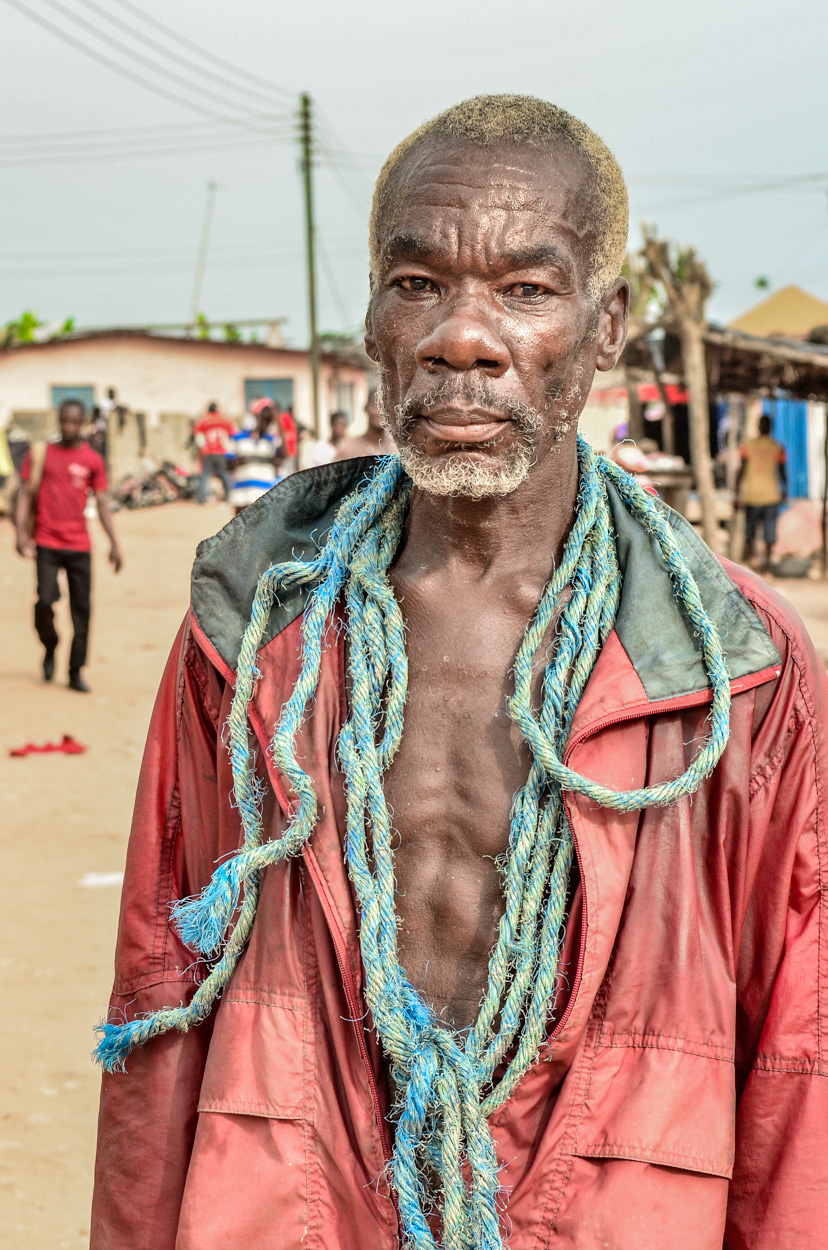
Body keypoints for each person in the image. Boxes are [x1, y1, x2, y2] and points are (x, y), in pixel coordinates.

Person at [92, 96, 828, 1250]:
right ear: (375, 321)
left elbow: (800, 1052)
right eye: (418, 282)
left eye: (526, 290)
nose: (462, 338)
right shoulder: (255, 638)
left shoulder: (739, 669)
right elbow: (158, 989)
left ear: (605, 326)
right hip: (296, 1203)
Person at [15, 398, 122, 692]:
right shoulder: (41, 454)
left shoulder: (92, 460)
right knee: (45, 601)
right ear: (59, 420)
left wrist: (114, 543)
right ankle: (50, 645)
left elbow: (101, 503)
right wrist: (21, 535)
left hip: (79, 546)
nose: (69, 427)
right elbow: (24, 493)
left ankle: (75, 671)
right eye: (65, 421)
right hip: (47, 543)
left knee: (82, 611)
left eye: (75, 422)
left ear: (84, 423)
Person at [736, 413, 787, 569]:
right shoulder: (777, 447)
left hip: (753, 495)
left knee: (751, 530)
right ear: (771, 428)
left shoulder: (747, 445)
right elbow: (782, 472)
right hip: (770, 495)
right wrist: (785, 489)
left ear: (759, 427)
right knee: (768, 531)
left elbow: (741, 470)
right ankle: (767, 564)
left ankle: (755, 559)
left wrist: (736, 492)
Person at [227, 398, 283, 514]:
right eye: (261, 417)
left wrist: (277, 420)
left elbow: (283, 455)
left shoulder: (272, 440)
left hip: (264, 493)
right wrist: (238, 462)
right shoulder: (238, 438)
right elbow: (227, 464)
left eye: (268, 419)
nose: (264, 422)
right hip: (242, 493)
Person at [333, 385, 397, 459]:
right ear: (366, 408)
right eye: (376, 405)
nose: (381, 412)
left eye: (386, 406)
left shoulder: (397, 449)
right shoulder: (348, 450)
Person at [193, 401, 235, 504]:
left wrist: (202, 449)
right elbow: (233, 435)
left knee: (205, 474)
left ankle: (202, 498)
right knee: (225, 474)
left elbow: (198, 437)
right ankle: (228, 497)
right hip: (222, 451)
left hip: (209, 451)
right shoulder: (225, 419)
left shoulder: (203, 420)